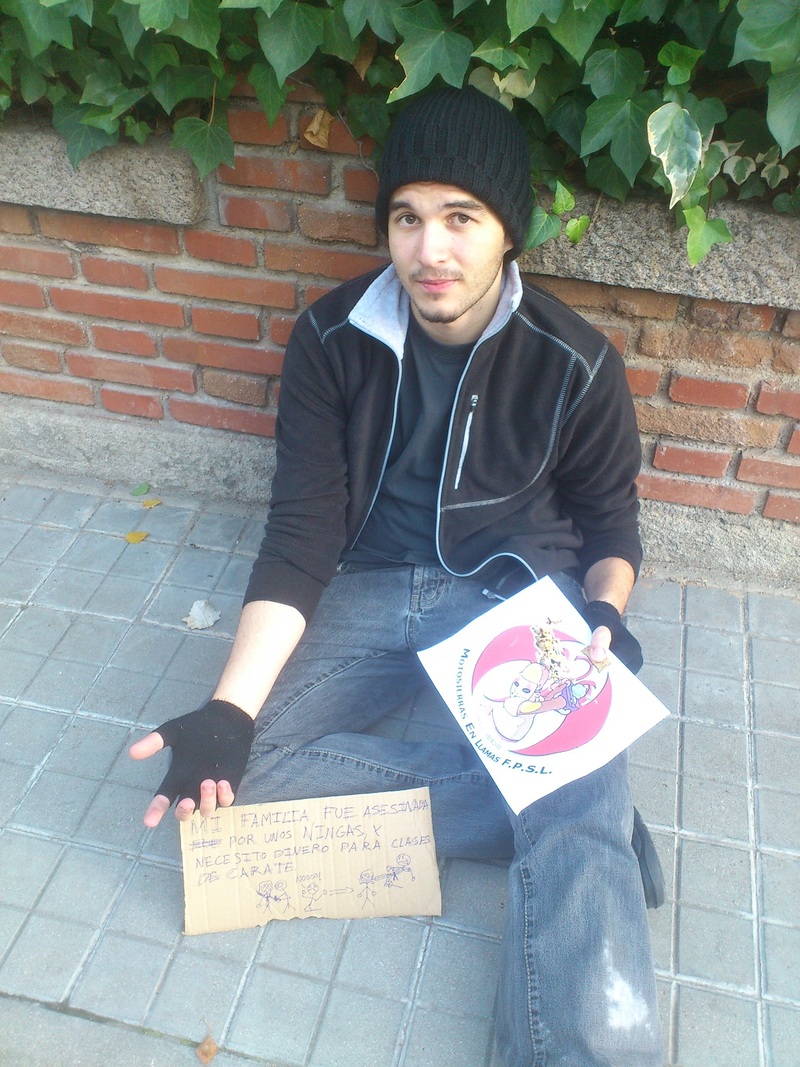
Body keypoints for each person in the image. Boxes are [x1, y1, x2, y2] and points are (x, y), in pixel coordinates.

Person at [130, 86, 664, 1065]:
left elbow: (609, 519)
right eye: (407, 217)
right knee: (238, 780)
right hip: (369, 584)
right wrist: (229, 713)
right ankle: (575, 816)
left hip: (512, 593)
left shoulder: (574, 360)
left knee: (574, 766)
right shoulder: (329, 340)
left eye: (460, 217)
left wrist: (603, 610)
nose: (430, 250)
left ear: (508, 230)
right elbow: (299, 536)